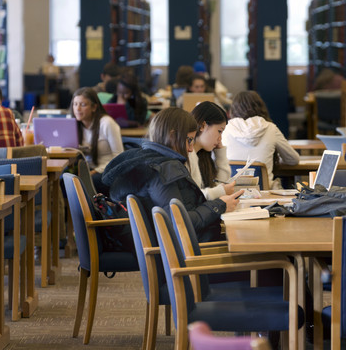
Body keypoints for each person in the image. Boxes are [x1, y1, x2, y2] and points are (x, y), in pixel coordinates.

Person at [103, 107, 242, 243]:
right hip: (184, 251)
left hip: (178, 243)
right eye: (189, 140)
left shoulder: (142, 159)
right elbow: (179, 223)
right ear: (172, 135)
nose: (190, 148)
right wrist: (219, 205)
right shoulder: (163, 170)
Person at [222, 91, 299, 190]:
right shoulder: (271, 128)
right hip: (264, 194)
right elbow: (293, 160)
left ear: (233, 109)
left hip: (232, 193)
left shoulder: (225, 129)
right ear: (261, 108)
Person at [70, 87, 124, 195]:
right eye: (75, 104)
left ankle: (89, 211)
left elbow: (119, 157)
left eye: (83, 104)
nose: (77, 109)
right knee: (63, 181)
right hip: (88, 169)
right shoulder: (74, 124)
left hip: (107, 171)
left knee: (83, 183)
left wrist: (95, 171)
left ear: (94, 107)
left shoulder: (107, 123)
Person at [188, 101, 234, 200]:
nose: (220, 139)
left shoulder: (201, 154)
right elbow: (193, 198)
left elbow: (218, 187)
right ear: (203, 126)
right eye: (219, 131)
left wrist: (220, 153)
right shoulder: (187, 154)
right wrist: (221, 191)